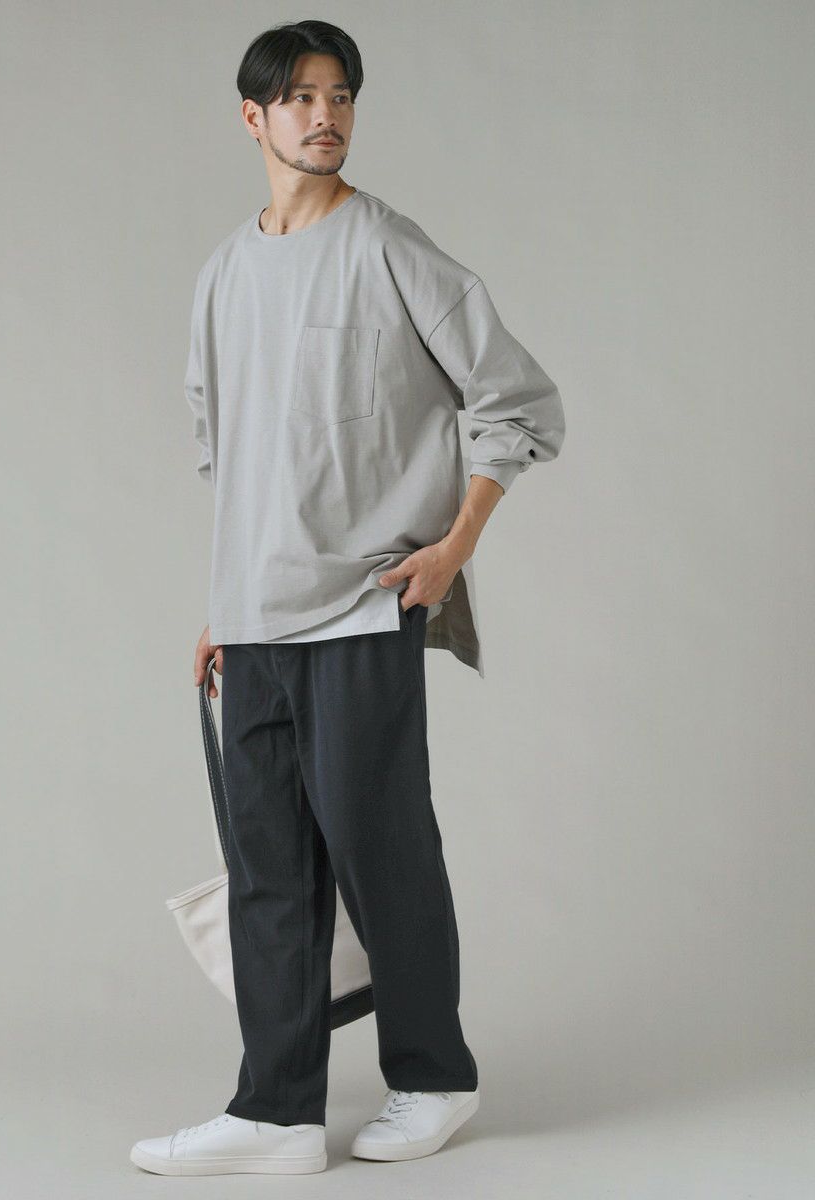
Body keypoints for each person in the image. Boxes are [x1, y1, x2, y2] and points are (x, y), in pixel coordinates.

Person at [131, 18, 566, 1178]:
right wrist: (224, 603)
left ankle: (434, 1078)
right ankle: (276, 1112)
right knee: (268, 868)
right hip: (254, 621)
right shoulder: (224, 274)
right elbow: (230, 454)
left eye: (340, 96)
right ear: (254, 118)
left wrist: (454, 546)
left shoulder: (389, 248)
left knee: (381, 850)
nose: (324, 115)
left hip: (365, 608)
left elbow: (517, 402)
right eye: (300, 97)